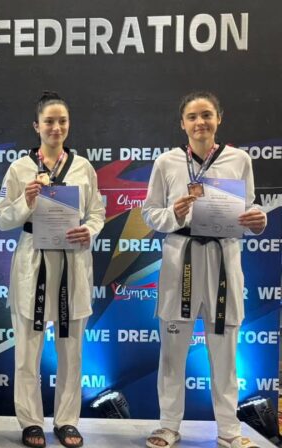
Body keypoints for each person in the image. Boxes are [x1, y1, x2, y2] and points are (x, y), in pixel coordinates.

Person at [143, 92, 265, 448]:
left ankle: (229, 430)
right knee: (172, 353)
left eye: (207, 115)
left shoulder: (239, 159)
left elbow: (250, 209)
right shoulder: (167, 162)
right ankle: (168, 425)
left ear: (219, 118)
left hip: (223, 259)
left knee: (225, 352)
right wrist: (174, 213)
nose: (201, 122)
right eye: (193, 117)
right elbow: (150, 213)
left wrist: (257, 221)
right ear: (182, 123)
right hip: (180, 259)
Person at [0, 92, 105, 448]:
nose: (56, 128)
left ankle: (67, 420)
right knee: (27, 352)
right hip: (33, 261)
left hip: (73, 262)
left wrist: (89, 230)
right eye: (49, 122)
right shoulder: (19, 169)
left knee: (71, 352)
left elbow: (97, 212)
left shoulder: (83, 167)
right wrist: (25, 201)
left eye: (62, 121)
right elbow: (0, 219)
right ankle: (30, 422)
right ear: (36, 126)